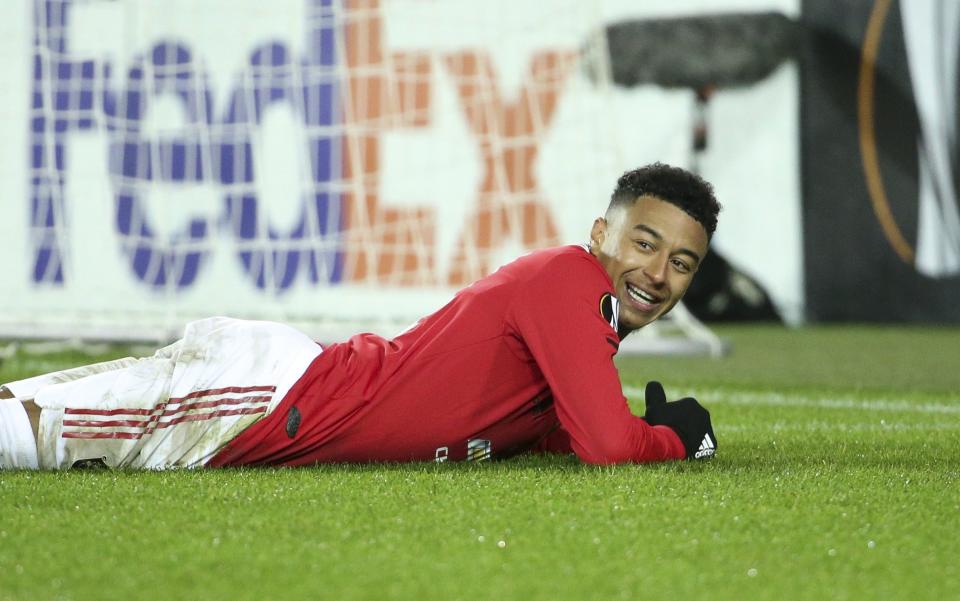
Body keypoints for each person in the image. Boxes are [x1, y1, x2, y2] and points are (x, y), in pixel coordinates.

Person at [0, 162, 721, 470]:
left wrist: (643, 430)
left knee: (33, 417)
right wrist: (672, 438)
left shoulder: (579, 316)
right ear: (602, 234)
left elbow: (565, 432)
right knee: (33, 435)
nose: (657, 274)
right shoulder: (570, 279)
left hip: (275, 395)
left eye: (681, 263)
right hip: (278, 398)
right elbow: (607, 445)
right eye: (644, 243)